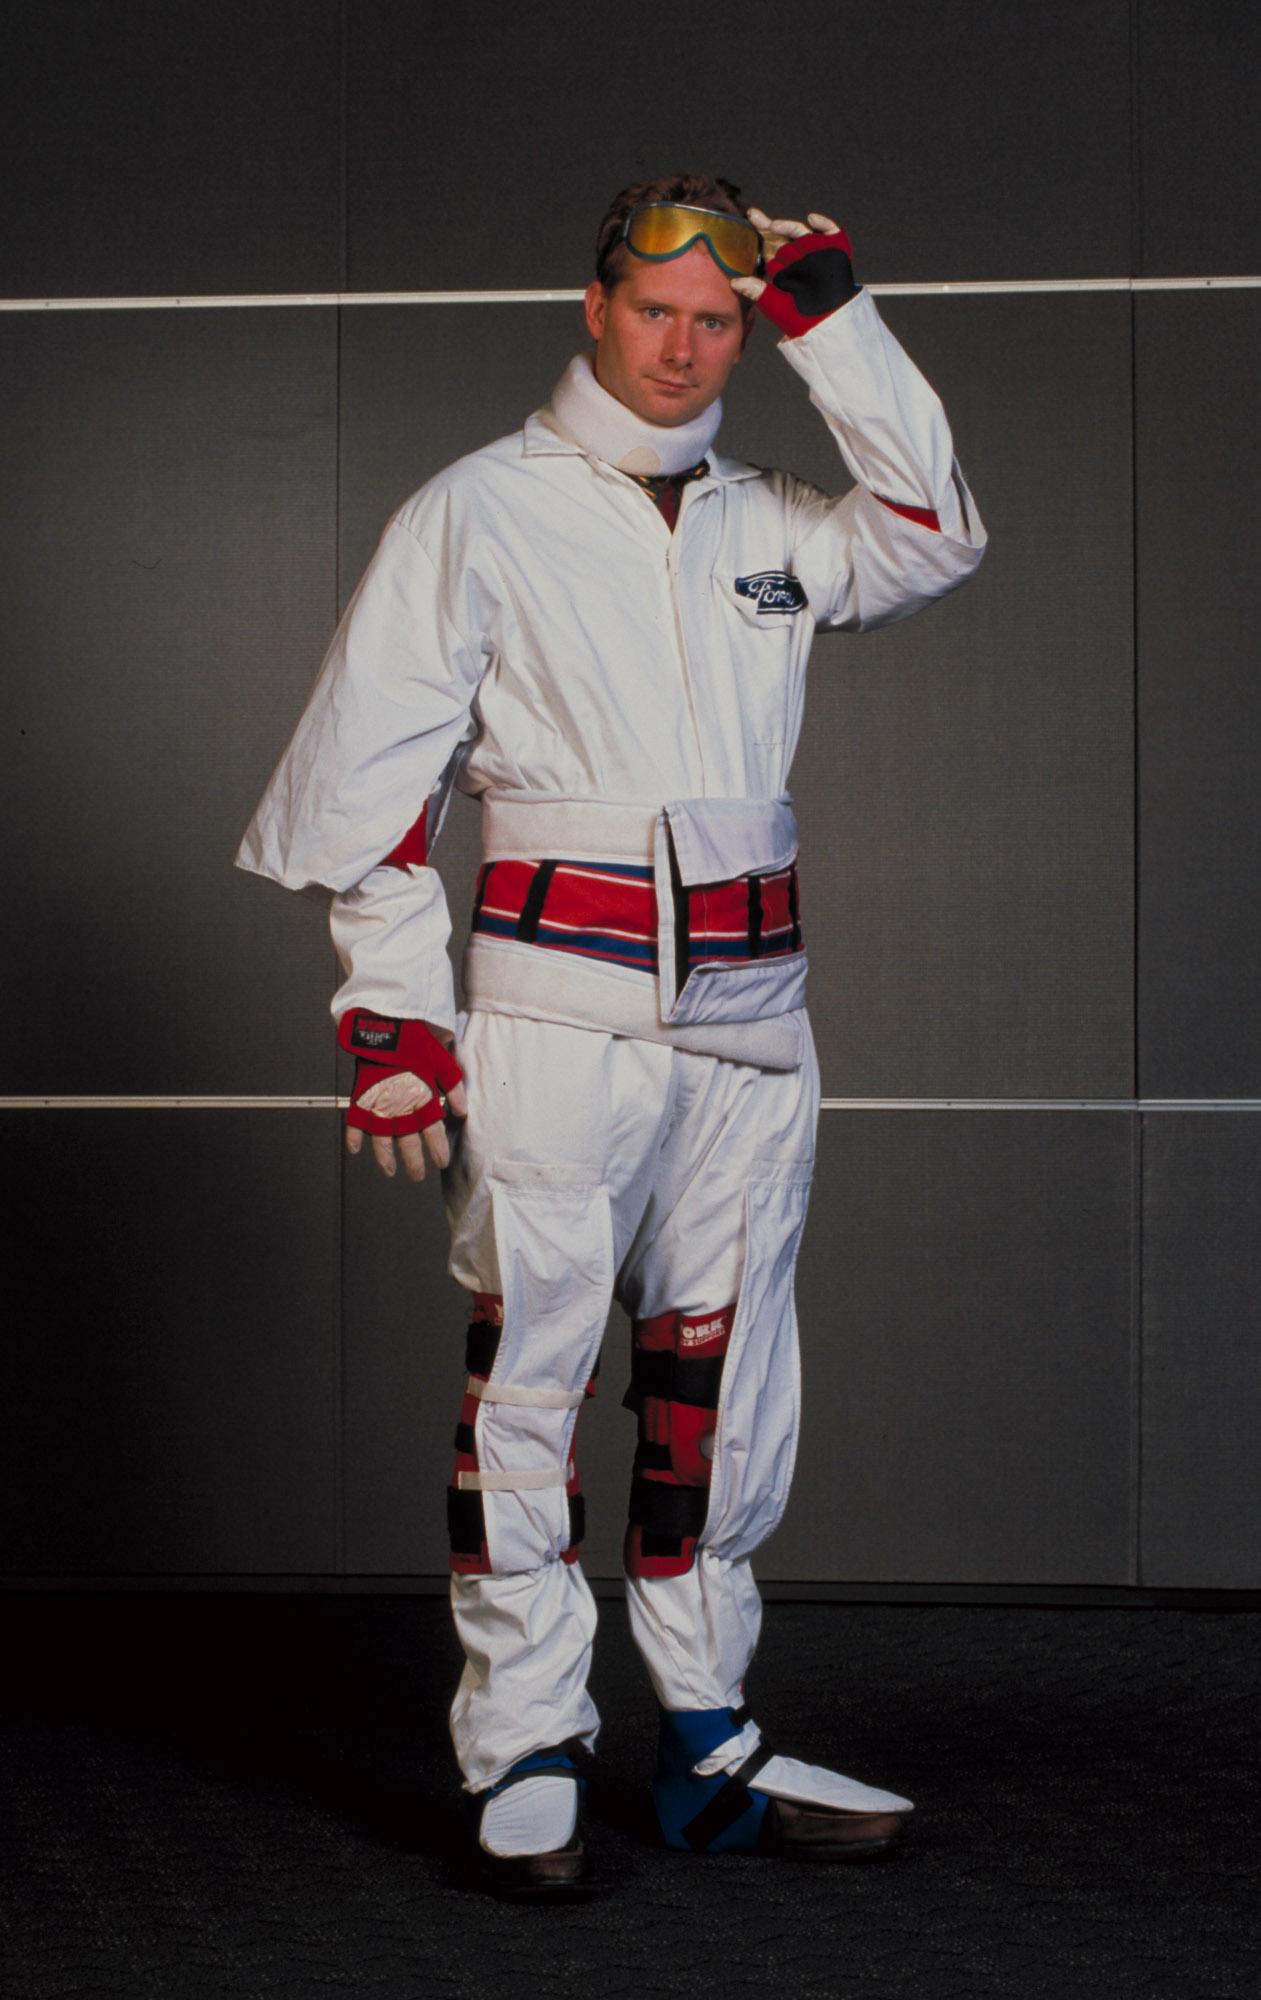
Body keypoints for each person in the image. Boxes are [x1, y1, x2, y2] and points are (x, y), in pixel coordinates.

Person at [238, 172, 986, 1897]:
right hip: (553, 1033)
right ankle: (525, 1739)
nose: (682, 346)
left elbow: (934, 530)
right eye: (655, 310)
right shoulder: (476, 511)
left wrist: (839, 326)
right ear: (594, 308)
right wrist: (393, 1020)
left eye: (719, 319)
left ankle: (709, 1738)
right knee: (535, 1378)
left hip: (752, 1030)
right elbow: (371, 790)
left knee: (720, 1387)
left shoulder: (770, 520)